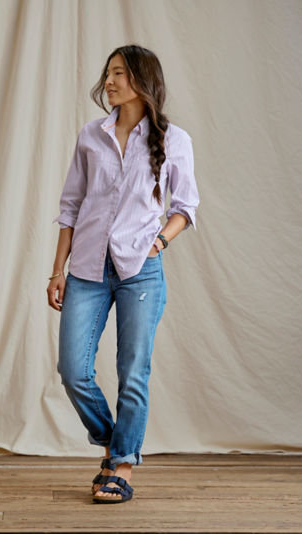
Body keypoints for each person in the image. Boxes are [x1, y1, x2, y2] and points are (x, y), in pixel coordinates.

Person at [46, 44, 200, 504]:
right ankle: (117, 444)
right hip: (87, 270)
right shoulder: (90, 136)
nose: (108, 81)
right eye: (108, 73)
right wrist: (57, 270)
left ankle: (122, 466)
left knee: (133, 371)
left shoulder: (175, 140)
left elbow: (186, 207)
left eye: (118, 73)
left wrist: (157, 243)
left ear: (141, 80)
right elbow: (71, 204)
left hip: (141, 273)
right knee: (73, 370)